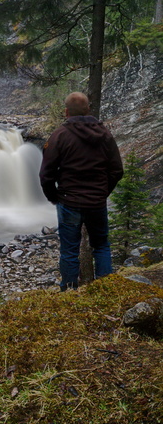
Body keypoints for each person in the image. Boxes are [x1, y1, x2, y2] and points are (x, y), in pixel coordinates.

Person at [39, 91, 123, 291]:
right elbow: (117, 170)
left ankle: (69, 291)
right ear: (88, 110)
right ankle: (105, 289)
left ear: (66, 111)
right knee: (101, 246)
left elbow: (46, 175)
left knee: (69, 250)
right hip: (96, 203)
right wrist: (102, 192)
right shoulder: (105, 135)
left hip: (69, 201)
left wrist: (54, 197)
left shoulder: (60, 135)